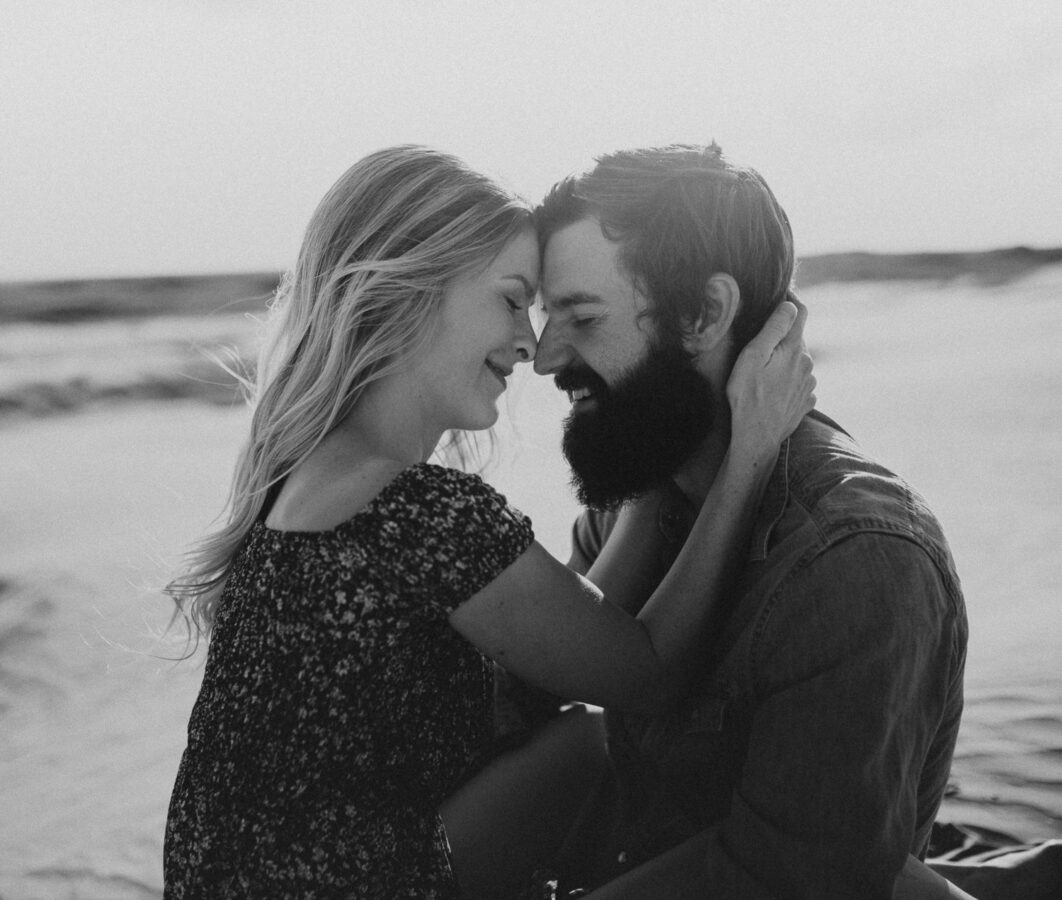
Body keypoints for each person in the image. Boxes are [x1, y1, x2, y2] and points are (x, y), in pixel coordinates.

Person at [161, 145, 815, 899]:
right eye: (511, 300)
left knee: (569, 737)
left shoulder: (305, 480)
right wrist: (748, 457)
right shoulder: (418, 514)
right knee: (592, 747)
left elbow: (561, 643)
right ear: (407, 292)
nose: (531, 346)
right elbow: (650, 673)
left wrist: (651, 437)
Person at [509, 143, 970, 899]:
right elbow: (531, 691)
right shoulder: (635, 498)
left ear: (705, 312)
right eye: (543, 314)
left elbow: (791, 882)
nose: (546, 357)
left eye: (581, 317)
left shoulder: (853, 561)